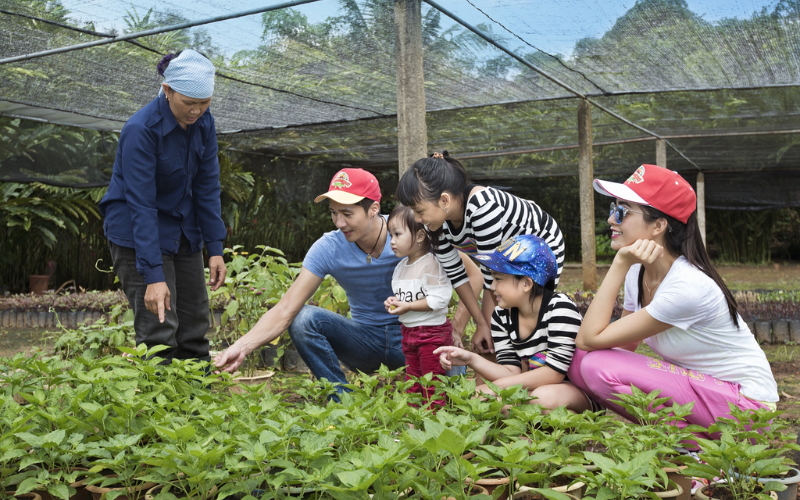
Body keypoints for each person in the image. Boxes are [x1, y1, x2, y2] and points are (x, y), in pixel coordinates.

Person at [569, 164, 779, 434]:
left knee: (596, 364)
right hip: (707, 393)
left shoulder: (687, 287)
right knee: (580, 360)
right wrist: (625, 266)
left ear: (658, 225)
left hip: (747, 409)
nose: (612, 219)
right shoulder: (639, 272)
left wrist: (619, 263)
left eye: (622, 211)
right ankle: (689, 446)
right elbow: (616, 343)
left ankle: (697, 451)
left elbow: (589, 337)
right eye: (613, 208)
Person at [214, 168, 405, 390]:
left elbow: (453, 269)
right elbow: (285, 309)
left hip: (414, 338)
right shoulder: (329, 247)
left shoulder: (407, 231)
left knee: (450, 377)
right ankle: (341, 401)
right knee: (302, 318)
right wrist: (242, 346)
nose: (339, 223)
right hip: (365, 342)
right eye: (334, 213)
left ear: (373, 208)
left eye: (347, 214)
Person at [99, 50, 227, 362]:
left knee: (195, 326)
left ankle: (197, 408)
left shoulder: (204, 124)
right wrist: (153, 277)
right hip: (136, 233)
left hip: (181, 231)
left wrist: (215, 247)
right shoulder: (141, 130)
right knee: (160, 329)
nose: (196, 111)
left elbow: (207, 187)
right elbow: (141, 204)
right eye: (188, 103)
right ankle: (160, 410)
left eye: (204, 102)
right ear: (167, 90)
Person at [396, 151, 566, 355]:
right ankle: (497, 376)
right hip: (505, 256)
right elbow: (457, 276)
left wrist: (487, 328)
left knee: (526, 311)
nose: (416, 219)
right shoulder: (436, 226)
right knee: (493, 328)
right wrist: (480, 323)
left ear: (444, 200)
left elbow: (490, 278)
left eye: (419, 211)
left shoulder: (481, 206)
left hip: (543, 246)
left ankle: (535, 361)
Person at [435, 235, 595, 412]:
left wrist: (496, 387)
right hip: (535, 390)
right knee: (506, 402)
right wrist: (471, 359)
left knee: (541, 397)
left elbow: (554, 373)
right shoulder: (501, 316)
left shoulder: (560, 308)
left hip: (576, 392)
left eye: (499, 279)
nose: (492, 287)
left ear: (526, 283)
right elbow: (512, 371)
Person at [383, 205, 455, 407]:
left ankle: (433, 422)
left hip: (432, 334)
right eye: (390, 235)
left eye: (397, 234)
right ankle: (413, 422)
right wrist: (394, 302)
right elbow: (404, 298)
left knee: (431, 382)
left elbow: (440, 299)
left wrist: (408, 306)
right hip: (408, 332)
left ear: (421, 235)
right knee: (412, 380)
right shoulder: (400, 267)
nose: (393, 241)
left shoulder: (431, 263)